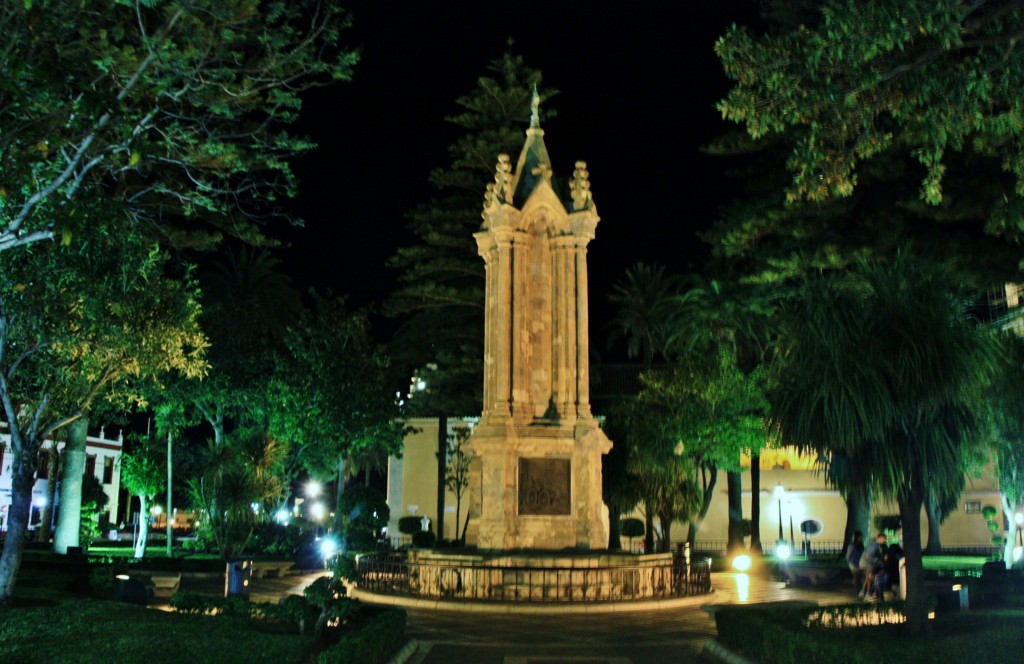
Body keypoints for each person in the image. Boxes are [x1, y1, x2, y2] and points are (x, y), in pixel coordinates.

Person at [859, 531, 887, 600]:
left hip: (864, 563)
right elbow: (872, 554)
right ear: (880, 538)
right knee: (870, 578)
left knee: (867, 578)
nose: (884, 541)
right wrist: (880, 560)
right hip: (868, 564)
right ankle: (868, 593)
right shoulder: (875, 545)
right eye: (884, 539)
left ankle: (863, 593)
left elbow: (877, 555)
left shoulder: (872, 544)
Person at [845, 531, 865, 595]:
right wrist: (850, 562)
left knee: (859, 577)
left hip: (860, 563)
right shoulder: (852, 545)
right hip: (853, 563)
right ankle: (857, 591)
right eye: (860, 537)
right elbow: (848, 556)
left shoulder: (861, 545)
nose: (861, 538)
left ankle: (861, 590)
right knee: (856, 576)